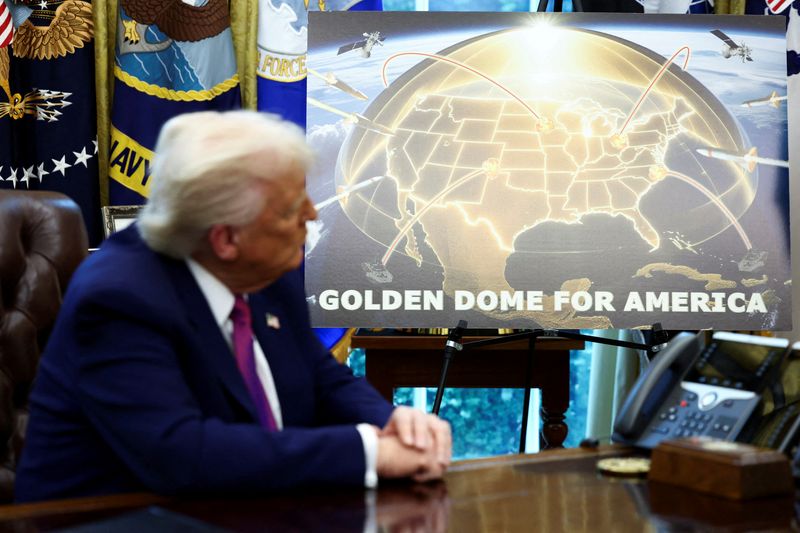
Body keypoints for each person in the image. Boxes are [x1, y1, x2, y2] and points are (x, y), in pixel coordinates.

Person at [15, 110, 451, 502]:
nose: (313, 214)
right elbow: (182, 454)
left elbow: (320, 376)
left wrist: (393, 422)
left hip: (240, 510)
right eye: (290, 209)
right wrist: (368, 452)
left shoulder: (264, 268)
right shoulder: (119, 298)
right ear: (225, 239)